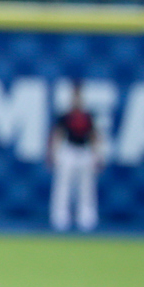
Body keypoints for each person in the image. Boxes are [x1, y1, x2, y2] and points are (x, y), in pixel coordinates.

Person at [48, 81, 103, 232]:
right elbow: (58, 134)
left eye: (79, 97)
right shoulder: (65, 116)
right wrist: (53, 153)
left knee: (87, 187)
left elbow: (94, 136)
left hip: (84, 152)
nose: (76, 100)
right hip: (69, 151)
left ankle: (86, 218)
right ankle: (60, 218)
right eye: (74, 97)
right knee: (63, 185)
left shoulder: (88, 116)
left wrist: (97, 155)